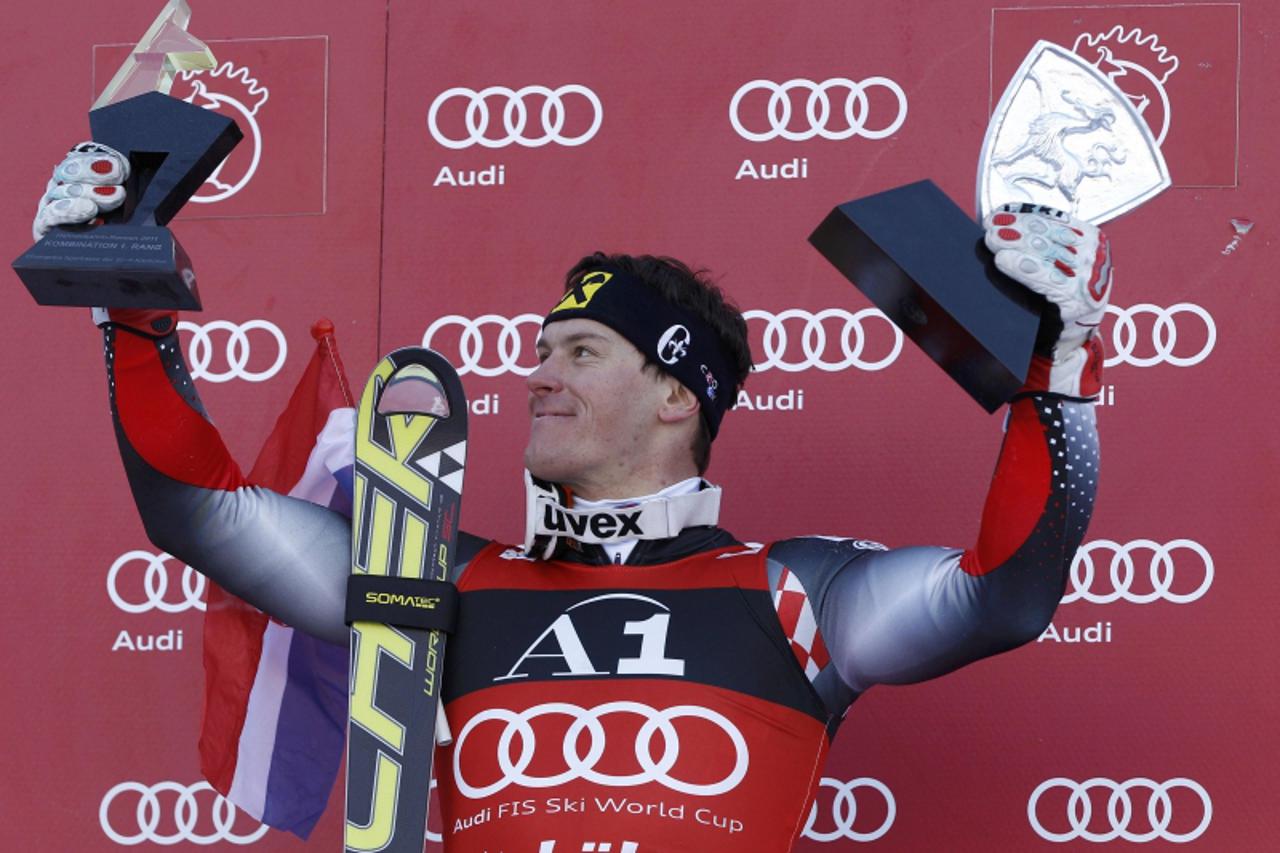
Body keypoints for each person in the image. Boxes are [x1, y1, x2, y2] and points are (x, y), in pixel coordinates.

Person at [36, 142, 1109, 852]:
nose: (535, 374)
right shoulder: (432, 577)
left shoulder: (791, 592)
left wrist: (1054, 382)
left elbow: (999, 597)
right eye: (539, 348)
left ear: (675, 398)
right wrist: (127, 302)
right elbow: (201, 513)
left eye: (582, 351)